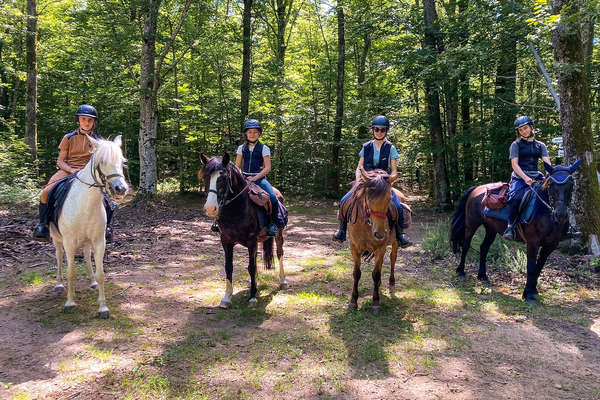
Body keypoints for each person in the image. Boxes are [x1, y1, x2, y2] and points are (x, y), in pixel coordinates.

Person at [33, 105, 115, 242]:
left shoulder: (99, 141)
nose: (86, 123)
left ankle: (106, 228)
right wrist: (71, 170)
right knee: (46, 191)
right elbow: (60, 161)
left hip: (90, 173)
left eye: (90, 120)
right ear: (78, 120)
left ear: (94, 122)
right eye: (83, 119)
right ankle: (43, 226)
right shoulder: (68, 137)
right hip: (68, 169)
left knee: (109, 197)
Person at [333, 115, 412, 247]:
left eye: (382, 129)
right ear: (373, 130)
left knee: (397, 206)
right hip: (367, 181)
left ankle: (400, 235)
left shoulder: (391, 148)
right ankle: (341, 230)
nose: (379, 132)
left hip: (383, 184)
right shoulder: (366, 147)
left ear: (386, 131)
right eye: (376, 129)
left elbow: (394, 170)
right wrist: (359, 180)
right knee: (344, 200)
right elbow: (359, 167)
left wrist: (390, 180)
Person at [235, 119, 279, 237]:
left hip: (259, 179)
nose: (252, 134)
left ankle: (272, 224)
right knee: (227, 194)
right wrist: (241, 176)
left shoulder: (264, 148)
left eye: (255, 132)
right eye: (250, 132)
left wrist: (255, 178)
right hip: (244, 178)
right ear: (246, 133)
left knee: (273, 198)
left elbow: (268, 168)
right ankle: (219, 222)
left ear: (259, 133)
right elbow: (237, 166)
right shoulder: (241, 148)